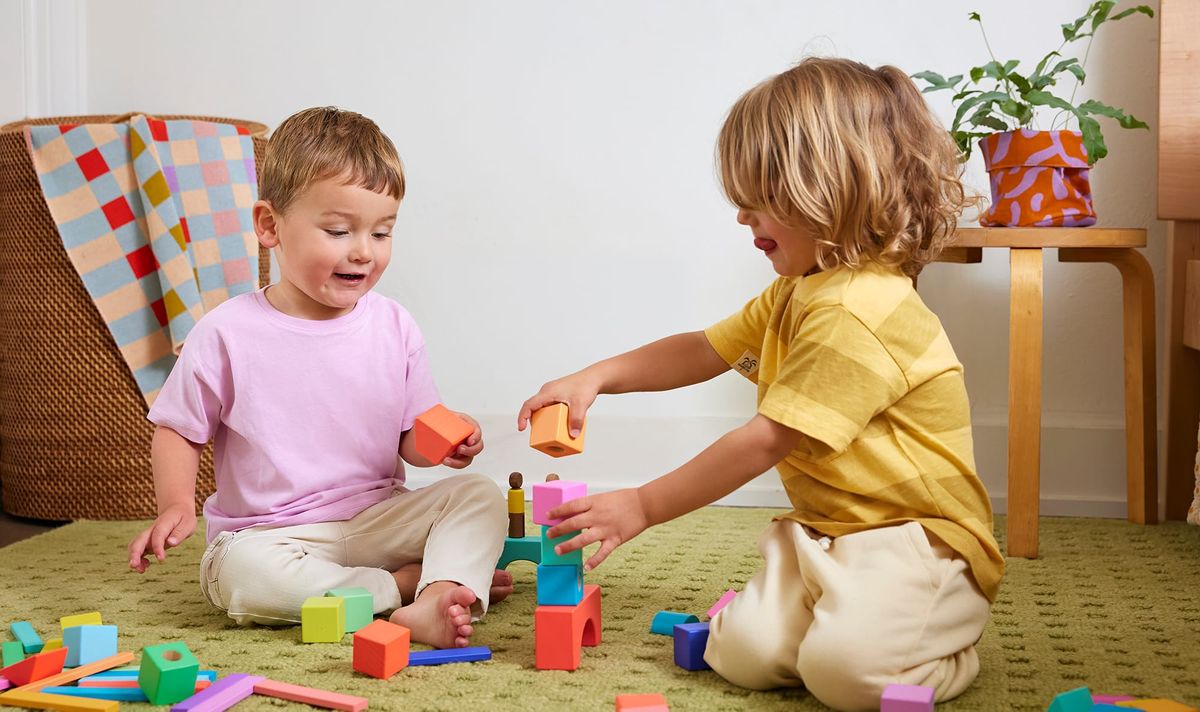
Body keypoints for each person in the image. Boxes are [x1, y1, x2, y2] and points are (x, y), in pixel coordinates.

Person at [518, 58, 1003, 710]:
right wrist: (596, 377)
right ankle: (826, 603)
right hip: (826, 531)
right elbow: (702, 350)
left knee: (847, 679)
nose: (744, 214)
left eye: (763, 194)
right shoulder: (796, 292)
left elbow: (764, 440)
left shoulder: (862, 308)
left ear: (835, 186)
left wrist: (643, 505)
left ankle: (944, 640)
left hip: (918, 540)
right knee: (742, 655)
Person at [128, 106, 509, 649]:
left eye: (382, 232)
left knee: (477, 495)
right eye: (338, 230)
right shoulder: (227, 333)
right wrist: (176, 503)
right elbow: (178, 428)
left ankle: (435, 597)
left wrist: (448, 442)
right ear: (270, 225)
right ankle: (405, 588)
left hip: (379, 518)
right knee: (238, 576)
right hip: (271, 534)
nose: (363, 251)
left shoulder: (394, 325)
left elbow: (411, 437)